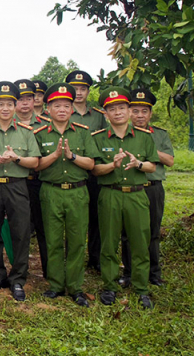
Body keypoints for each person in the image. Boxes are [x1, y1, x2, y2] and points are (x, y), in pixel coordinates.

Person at [92, 87, 159, 309]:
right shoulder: (98, 138)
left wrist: (138, 164)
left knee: (140, 242)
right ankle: (110, 286)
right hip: (110, 194)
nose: (118, 112)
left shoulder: (144, 137)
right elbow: (95, 170)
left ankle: (141, 288)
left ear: (129, 111)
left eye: (122, 108)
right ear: (106, 114)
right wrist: (113, 165)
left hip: (137, 195)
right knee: (109, 243)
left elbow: (152, 165)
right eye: (112, 109)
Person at [33, 83, 98, 306]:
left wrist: (71, 157)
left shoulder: (82, 133)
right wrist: (55, 155)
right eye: (56, 105)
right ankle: (55, 285)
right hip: (50, 191)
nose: (62, 109)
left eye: (66, 105)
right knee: (52, 240)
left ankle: (75, 286)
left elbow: (91, 163)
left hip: (78, 192)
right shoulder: (39, 134)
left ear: (72, 109)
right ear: (48, 109)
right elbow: (36, 165)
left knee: (77, 240)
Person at [0, 81, 40, 301]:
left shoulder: (25, 132)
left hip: (17, 186)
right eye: (0, 104)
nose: (5, 108)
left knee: (21, 233)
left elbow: (35, 162)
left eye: (9, 104)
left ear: (15, 107)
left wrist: (17, 158)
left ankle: (18, 279)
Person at [119, 88, 174, 288]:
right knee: (127, 233)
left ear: (150, 114)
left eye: (144, 111)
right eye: (135, 111)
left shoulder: (159, 135)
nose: (139, 115)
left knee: (153, 231)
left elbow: (169, 160)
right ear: (128, 112)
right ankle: (129, 272)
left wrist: (147, 149)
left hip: (152, 188)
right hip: (131, 187)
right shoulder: (121, 133)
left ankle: (154, 272)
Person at [65, 70, 108, 272]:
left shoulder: (99, 117)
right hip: (70, 171)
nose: (79, 93)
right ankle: (71, 256)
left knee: (95, 216)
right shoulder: (62, 112)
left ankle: (95, 257)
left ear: (89, 91)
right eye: (75, 89)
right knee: (71, 218)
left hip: (94, 172)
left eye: (83, 89)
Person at [14, 79, 50, 278]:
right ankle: (19, 272)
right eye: (20, 99)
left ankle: (48, 271)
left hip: (40, 181)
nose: (26, 103)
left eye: (29, 98)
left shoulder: (46, 125)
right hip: (16, 182)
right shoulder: (6, 125)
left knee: (44, 228)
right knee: (19, 230)